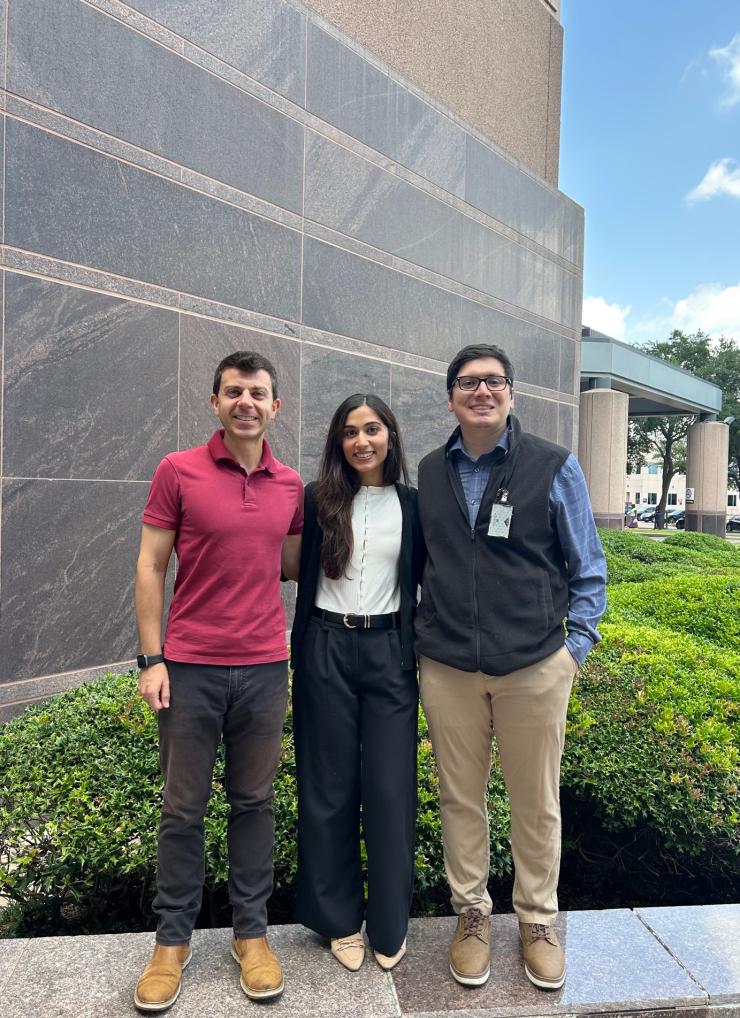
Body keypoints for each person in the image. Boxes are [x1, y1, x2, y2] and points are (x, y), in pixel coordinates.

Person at [415, 344, 606, 991]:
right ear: (450, 397)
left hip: (534, 665)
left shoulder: (553, 465)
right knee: (460, 798)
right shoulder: (430, 471)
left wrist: (572, 652)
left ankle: (537, 920)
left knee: (536, 801)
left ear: (511, 393)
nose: (482, 391)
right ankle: (471, 914)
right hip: (449, 668)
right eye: (468, 382)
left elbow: (588, 567)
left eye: (494, 381)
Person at [133, 351, 303, 1012]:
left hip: (263, 668)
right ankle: (170, 942)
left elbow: (295, 563)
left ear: (275, 407)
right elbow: (151, 565)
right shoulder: (177, 471)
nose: (246, 403)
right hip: (190, 669)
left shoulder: (289, 485)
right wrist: (152, 659)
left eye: (257, 393)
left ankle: (251, 936)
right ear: (215, 402)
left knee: (254, 804)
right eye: (234, 392)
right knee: (183, 810)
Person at [288, 394, 424, 973]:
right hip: (325, 645)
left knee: (391, 790)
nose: (361, 441)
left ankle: (390, 924)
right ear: (337, 443)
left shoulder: (415, 505)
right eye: (350, 432)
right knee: (328, 787)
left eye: (372, 429)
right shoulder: (316, 499)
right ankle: (339, 920)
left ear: (390, 435)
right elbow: (285, 563)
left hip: (390, 650)